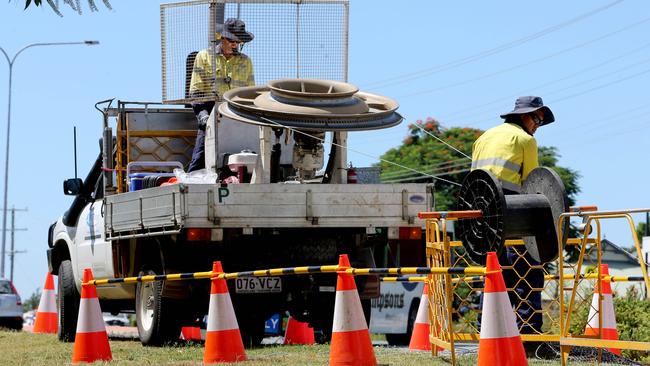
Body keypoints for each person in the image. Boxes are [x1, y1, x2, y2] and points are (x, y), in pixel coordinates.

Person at [472, 96, 555, 339]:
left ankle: (489, 329)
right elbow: (532, 182)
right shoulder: (526, 140)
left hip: (482, 214)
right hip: (513, 210)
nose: (538, 125)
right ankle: (528, 333)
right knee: (528, 269)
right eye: (537, 119)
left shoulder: (483, 137)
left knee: (494, 272)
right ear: (523, 116)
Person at [187, 18, 255, 172]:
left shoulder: (246, 62)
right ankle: (192, 185)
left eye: (238, 41)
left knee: (243, 157)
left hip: (237, 115)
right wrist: (203, 116)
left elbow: (250, 93)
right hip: (211, 113)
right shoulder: (204, 57)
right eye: (232, 40)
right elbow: (196, 91)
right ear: (221, 38)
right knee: (200, 158)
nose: (235, 44)